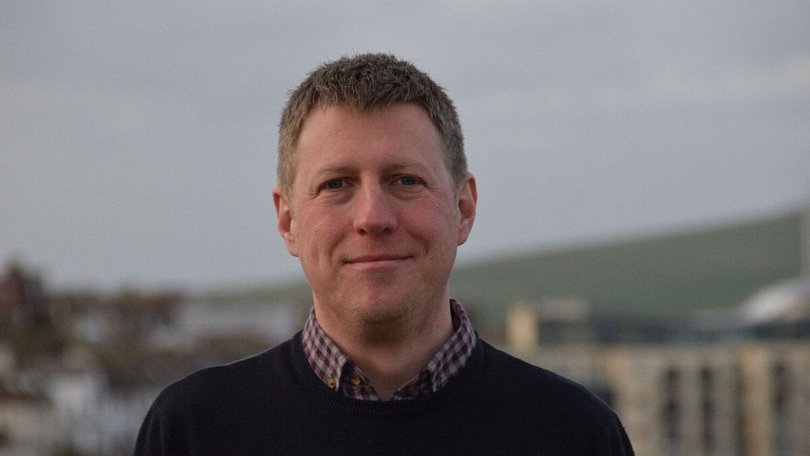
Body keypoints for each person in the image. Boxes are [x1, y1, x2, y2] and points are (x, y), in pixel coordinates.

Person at [133, 53, 634, 455]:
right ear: (287, 221)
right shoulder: (193, 430)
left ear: (463, 208)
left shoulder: (576, 435)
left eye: (406, 181)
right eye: (336, 184)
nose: (373, 217)